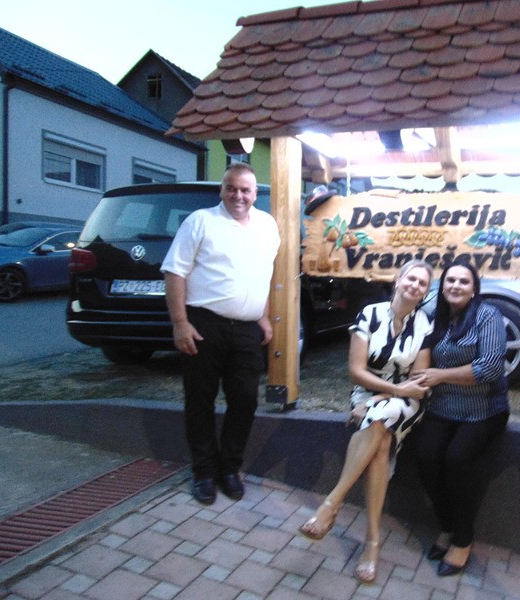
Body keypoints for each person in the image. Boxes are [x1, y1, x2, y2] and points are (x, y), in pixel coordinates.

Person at [298, 260, 434, 585]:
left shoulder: (425, 324)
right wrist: (379, 395)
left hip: (405, 400)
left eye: (423, 283)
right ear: (398, 280)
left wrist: (383, 397)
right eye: (411, 278)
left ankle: (331, 503)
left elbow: (418, 380)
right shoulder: (369, 314)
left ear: (426, 292)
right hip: (369, 393)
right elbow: (356, 371)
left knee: (380, 416)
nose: (415, 286)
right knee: (381, 439)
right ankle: (372, 541)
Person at [161, 162, 280, 506]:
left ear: (255, 194)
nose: (238, 195)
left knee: (245, 400)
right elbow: (174, 272)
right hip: (204, 326)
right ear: (222, 190)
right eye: (232, 188)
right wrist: (180, 322)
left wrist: (263, 315)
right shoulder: (200, 222)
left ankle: (229, 468)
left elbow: (263, 273)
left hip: (246, 331)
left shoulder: (267, 225)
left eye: (245, 190)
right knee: (200, 401)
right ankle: (203, 472)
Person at [412, 259, 509, 577]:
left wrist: (440, 375)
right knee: (425, 456)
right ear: (442, 286)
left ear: (474, 289)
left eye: (464, 281)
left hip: (484, 409)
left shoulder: (488, 315)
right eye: (450, 280)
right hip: (442, 407)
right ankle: (447, 525)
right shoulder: (434, 317)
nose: (456, 286)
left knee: (457, 460)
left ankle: (463, 539)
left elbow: (490, 368)